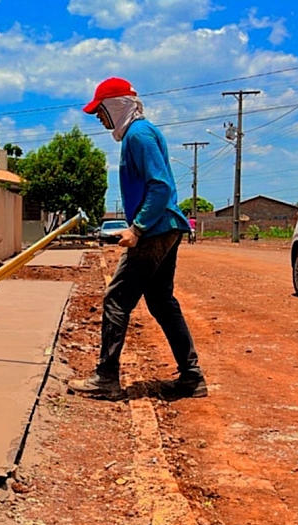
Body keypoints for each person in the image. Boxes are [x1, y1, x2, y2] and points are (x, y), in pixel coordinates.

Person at [69, 77, 207, 400]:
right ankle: (191, 377)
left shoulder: (138, 135)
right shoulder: (140, 133)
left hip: (156, 230)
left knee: (116, 300)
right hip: (166, 227)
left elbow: (160, 186)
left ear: (116, 106)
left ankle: (106, 378)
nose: (99, 118)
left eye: (100, 111)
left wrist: (137, 228)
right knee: (160, 301)